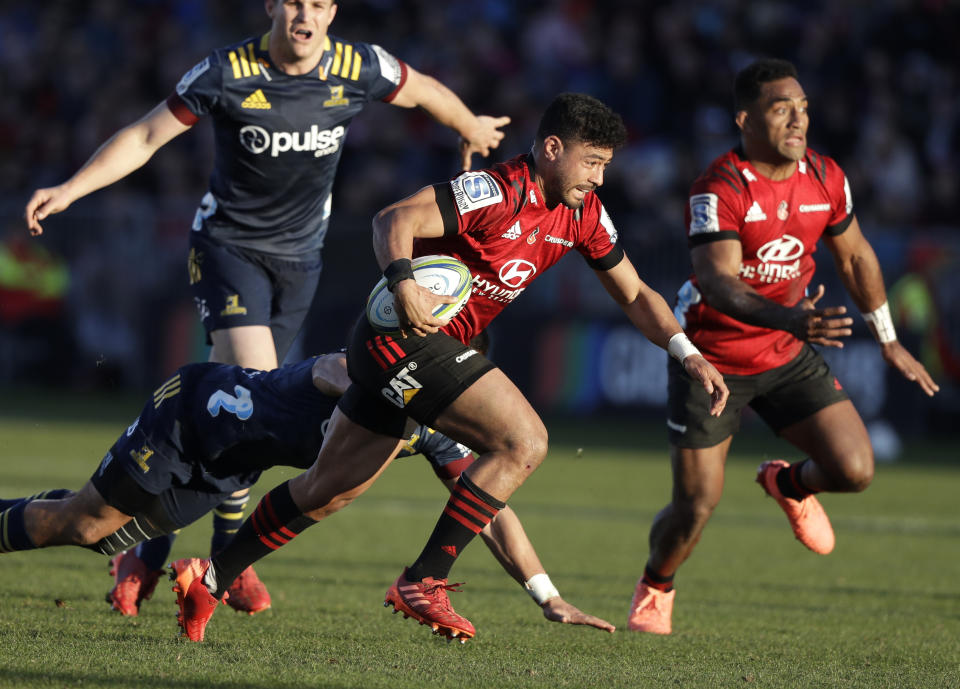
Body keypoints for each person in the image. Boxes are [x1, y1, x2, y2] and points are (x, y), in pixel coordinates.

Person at [166, 92, 729, 643]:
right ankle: (423, 580)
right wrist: (403, 282)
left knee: (325, 491)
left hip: (405, 353)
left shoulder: (584, 216)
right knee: (524, 441)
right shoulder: (494, 190)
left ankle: (208, 580)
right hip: (403, 338)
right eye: (593, 163)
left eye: (606, 166)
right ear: (553, 148)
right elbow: (392, 219)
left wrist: (688, 352)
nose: (600, 179)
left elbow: (634, 295)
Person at [23, 0, 509, 613]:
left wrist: (469, 125)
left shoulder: (358, 67)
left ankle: (146, 551)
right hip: (229, 248)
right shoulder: (226, 71)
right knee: (258, 386)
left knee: (239, 399)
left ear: (332, 12)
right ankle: (226, 564)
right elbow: (148, 134)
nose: (305, 14)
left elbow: (425, 91)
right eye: (294, 2)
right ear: (272, 8)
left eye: (319, 3)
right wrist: (70, 189)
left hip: (301, 261)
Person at [626, 58, 940, 636]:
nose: (799, 120)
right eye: (781, 108)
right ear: (745, 119)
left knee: (854, 469)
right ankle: (656, 583)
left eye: (803, 109)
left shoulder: (826, 176)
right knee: (694, 508)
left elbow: (856, 257)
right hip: (712, 361)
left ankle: (788, 483)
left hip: (785, 351)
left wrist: (889, 341)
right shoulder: (717, 187)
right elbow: (718, 282)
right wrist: (794, 319)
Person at [0, 343, 614, 635]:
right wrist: (357, 404)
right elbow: (327, 368)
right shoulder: (370, 369)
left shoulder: (433, 433)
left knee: (100, 536)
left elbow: (489, 512)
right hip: (189, 413)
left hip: (228, 469)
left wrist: (547, 596)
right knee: (86, 523)